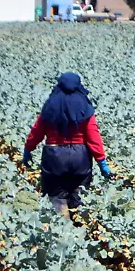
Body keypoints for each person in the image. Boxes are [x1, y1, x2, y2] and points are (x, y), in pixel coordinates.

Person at [22, 72, 112, 217]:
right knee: (79, 194)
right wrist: (102, 162)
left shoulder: (51, 105)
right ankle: (79, 228)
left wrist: (28, 149)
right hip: (79, 156)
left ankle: (64, 229)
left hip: (54, 156)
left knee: (58, 197)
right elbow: (93, 136)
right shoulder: (85, 106)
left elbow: (37, 130)